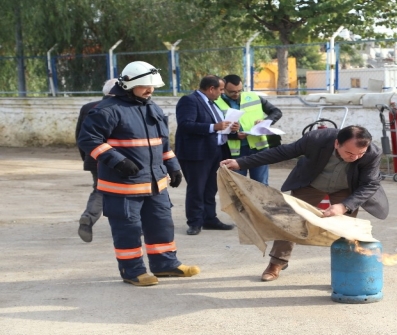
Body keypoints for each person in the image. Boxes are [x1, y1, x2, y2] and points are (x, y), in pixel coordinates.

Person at [77, 61, 199, 286]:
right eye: (144, 85)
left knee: (161, 223)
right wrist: (117, 160)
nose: (150, 90)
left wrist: (173, 166)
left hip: (155, 183)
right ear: (128, 84)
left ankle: (165, 264)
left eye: (152, 86)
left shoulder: (152, 107)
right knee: (128, 229)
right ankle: (132, 271)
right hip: (123, 186)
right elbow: (87, 139)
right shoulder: (107, 110)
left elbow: (161, 142)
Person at [220, 126, 389, 281]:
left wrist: (344, 206)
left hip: (346, 189)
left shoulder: (371, 153)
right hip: (311, 183)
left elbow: (370, 184)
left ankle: (347, 272)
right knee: (288, 220)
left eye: (360, 154)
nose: (355, 158)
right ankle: (277, 263)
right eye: (350, 153)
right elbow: (282, 152)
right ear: (337, 143)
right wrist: (241, 162)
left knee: (348, 229)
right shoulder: (317, 139)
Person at [175, 75, 239, 235]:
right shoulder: (189, 101)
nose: (222, 93)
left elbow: (218, 129)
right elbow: (185, 125)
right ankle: (195, 222)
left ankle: (209, 219)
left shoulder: (213, 104)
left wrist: (232, 130)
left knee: (210, 189)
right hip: (197, 153)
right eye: (221, 89)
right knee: (197, 188)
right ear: (211, 88)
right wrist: (214, 126)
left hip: (215, 151)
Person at [216, 74, 282, 185]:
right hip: (235, 152)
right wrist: (235, 135)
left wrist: (265, 122)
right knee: (238, 186)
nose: (236, 94)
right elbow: (214, 128)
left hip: (259, 149)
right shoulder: (216, 103)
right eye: (232, 91)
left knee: (261, 185)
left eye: (239, 91)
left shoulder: (253, 97)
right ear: (223, 88)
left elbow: (276, 112)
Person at [75, 78, 119, 243]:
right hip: (122, 157)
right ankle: (136, 225)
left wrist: (86, 157)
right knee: (131, 191)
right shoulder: (123, 107)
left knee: (100, 189)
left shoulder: (88, 108)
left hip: (95, 156)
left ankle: (88, 217)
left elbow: (80, 136)